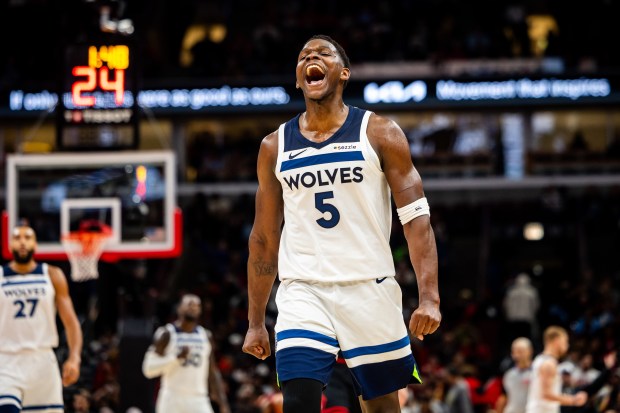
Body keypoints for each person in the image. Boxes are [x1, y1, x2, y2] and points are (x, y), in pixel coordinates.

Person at [242, 34, 441, 413]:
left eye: (322, 54)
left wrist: (429, 297)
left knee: (382, 407)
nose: (311, 58)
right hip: (304, 290)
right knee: (299, 398)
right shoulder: (274, 145)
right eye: (304, 56)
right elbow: (264, 238)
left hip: (369, 286)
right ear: (299, 79)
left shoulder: (380, 132)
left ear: (344, 73)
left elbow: (417, 221)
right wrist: (255, 321)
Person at [0, 225, 83, 413]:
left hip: (43, 362)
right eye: (17, 237)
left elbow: (71, 323)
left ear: (35, 244)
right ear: (10, 244)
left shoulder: (52, 275)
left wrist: (75, 358)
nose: (22, 241)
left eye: (27, 237)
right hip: (6, 362)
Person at [142, 294, 230, 413]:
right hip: (172, 397)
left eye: (197, 305)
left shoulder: (205, 335)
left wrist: (222, 402)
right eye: (189, 304)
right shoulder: (166, 334)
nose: (193, 307)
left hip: (198, 398)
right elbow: (148, 369)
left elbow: (212, 371)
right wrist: (175, 358)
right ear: (179, 308)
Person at [526, 326, 587, 413]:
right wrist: (573, 400)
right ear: (557, 340)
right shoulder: (549, 363)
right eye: (565, 341)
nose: (567, 345)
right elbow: (546, 394)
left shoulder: (539, 359)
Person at [496, 337, 534, 413]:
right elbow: (504, 397)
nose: (518, 354)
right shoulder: (509, 374)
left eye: (521, 351)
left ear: (530, 351)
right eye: (515, 351)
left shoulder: (537, 372)